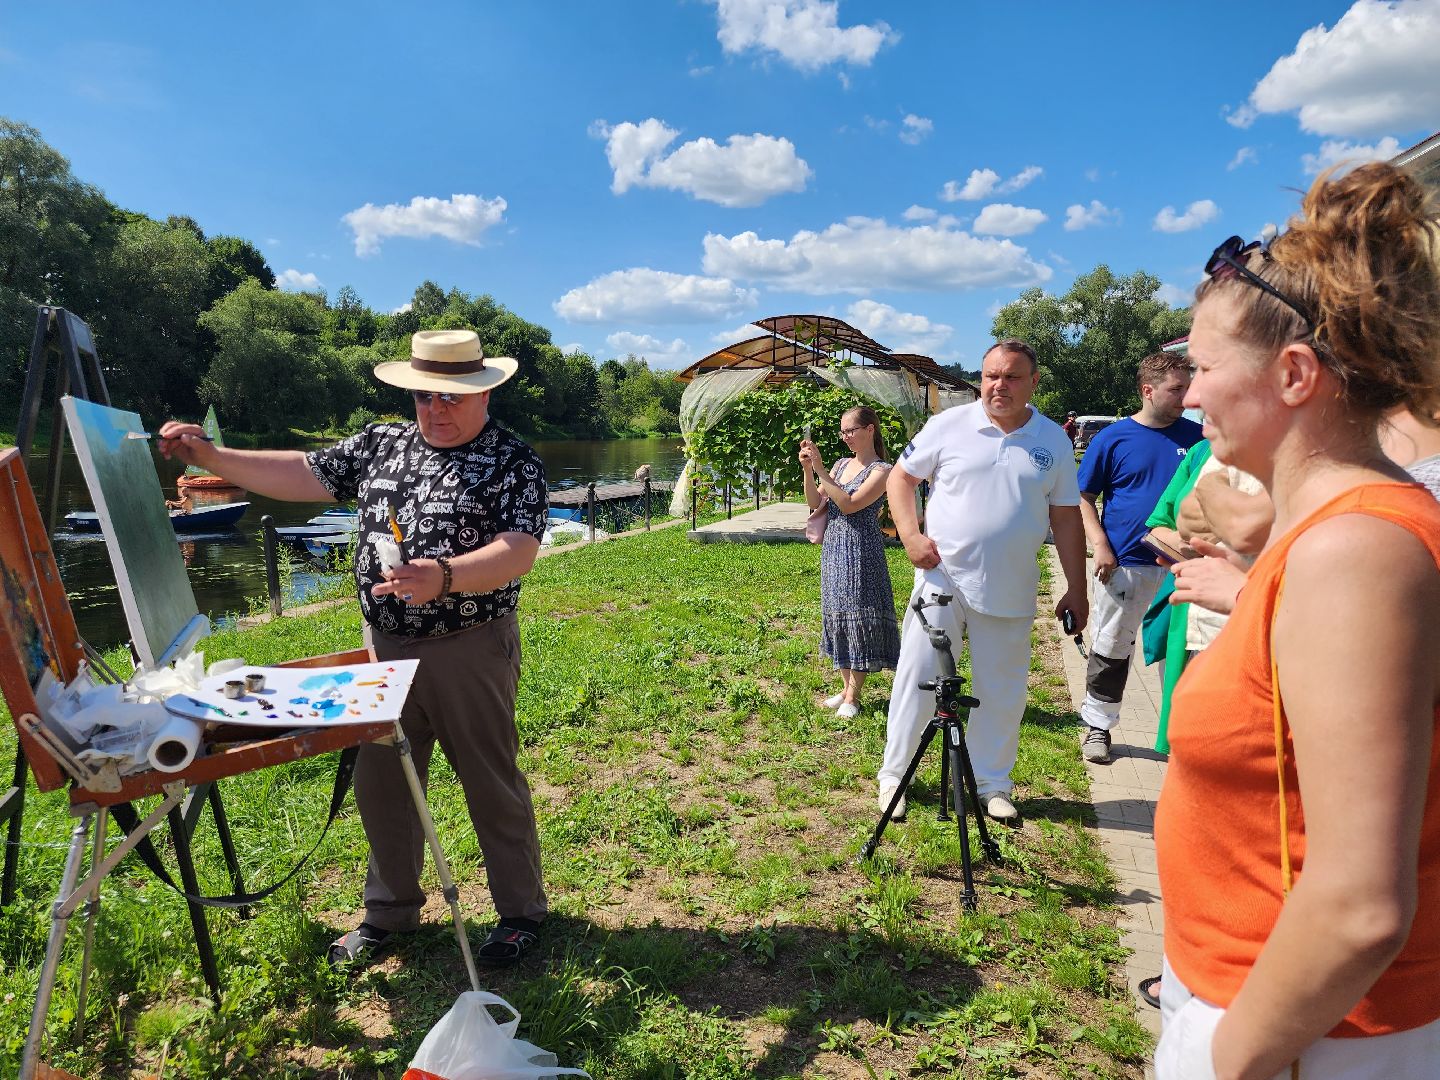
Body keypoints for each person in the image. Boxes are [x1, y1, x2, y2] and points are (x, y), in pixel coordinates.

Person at [1154, 163, 1440, 1078]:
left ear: (1293, 373)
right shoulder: (1328, 535)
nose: (1188, 396)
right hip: (1280, 1012)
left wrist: (1232, 1057)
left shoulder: (1353, 551)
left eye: (1202, 368)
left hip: (1306, 1034)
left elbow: (1360, 905)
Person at [158, 329, 550, 968]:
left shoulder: (512, 458)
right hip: (385, 644)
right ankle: (389, 914)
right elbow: (299, 473)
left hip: (469, 646)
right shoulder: (382, 443)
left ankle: (520, 912)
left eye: (449, 398)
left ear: (483, 395)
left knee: (488, 778)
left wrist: (446, 576)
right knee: (383, 780)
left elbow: (519, 550)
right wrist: (215, 456)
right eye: (424, 397)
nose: (435, 410)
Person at [878, 339, 1088, 822]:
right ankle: (895, 776)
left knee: (1002, 690)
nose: (1000, 385)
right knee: (918, 678)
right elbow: (900, 479)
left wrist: (1076, 589)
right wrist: (910, 535)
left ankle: (993, 783)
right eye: (991, 375)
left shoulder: (1053, 439)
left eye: (1012, 376)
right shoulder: (948, 425)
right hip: (942, 581)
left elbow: (1067, 519)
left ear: (1033, 382)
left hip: (1011, 586)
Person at [1075, 353, 1201, 763]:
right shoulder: (1113, 439)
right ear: (1148, 390)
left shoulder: (1198, 440)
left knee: (1178, 651)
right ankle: (1098, 727)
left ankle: (1180, 737)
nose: (1186, 396)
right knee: (1112, 647)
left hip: (1182, 567)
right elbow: (1082, 496)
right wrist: (1100, 543)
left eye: (1187, 387)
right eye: (1176, 389)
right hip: (1125, 563)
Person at [799, 405, 900, 718]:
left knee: (860, 618)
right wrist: (807, 470)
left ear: (870, 429)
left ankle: (853, 697)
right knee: (838, 614)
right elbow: (817, 502)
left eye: (851, 431)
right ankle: (845, 689)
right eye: (843, 432)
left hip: (862, 550)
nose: (845, 437)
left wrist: (820, 469)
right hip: (834, 547)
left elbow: (850, 504)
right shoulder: (842, 465)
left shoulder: (883, 470)